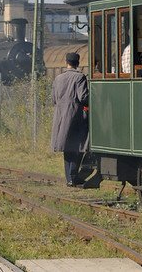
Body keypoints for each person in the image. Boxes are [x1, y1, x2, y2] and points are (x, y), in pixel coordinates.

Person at [51, 52, 89, 187]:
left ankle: (69, 177)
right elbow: (83, 97)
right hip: (75, 116)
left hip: (60, 116)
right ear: (77, 63)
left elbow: (54, 99)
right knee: (76, 146)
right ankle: (73, 177)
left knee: (67, 147)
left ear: (66, 62)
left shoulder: (58, 78)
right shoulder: (79, 78)